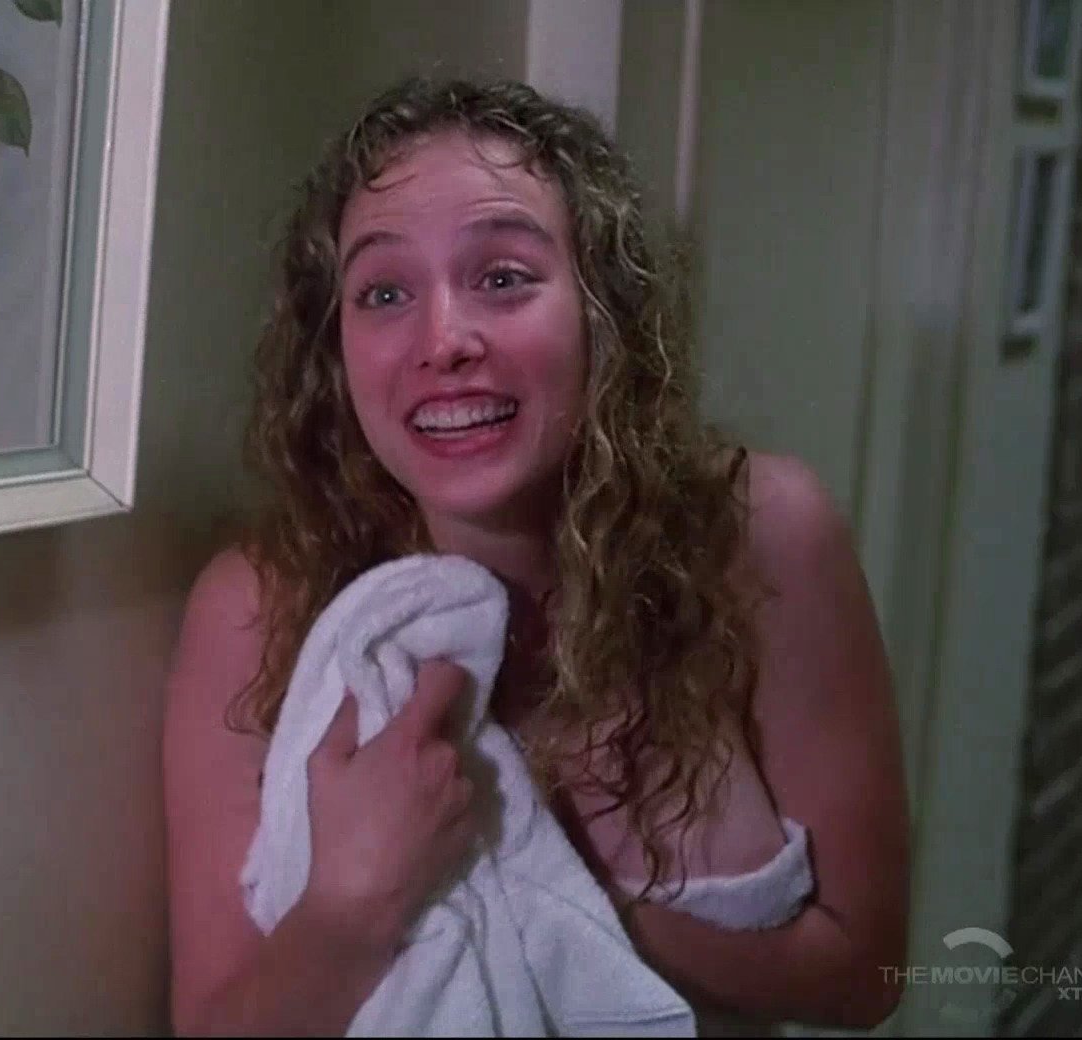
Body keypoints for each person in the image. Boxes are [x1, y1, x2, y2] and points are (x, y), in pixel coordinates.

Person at [160, 76, 910, 1037]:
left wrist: (543, 878)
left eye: (503, 277)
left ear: (602, 314)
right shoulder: (261, 604)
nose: (443, 341)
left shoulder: (759, 536)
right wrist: (351, 908)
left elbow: (867, 975)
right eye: (384, 292)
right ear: (334, 352)